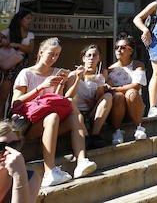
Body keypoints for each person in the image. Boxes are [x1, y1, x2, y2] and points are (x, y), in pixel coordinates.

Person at [11, 38, 96, 187]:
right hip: (28, 123)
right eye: (51, 54)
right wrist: (40, 87)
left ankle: (81, 161)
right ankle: (49, 171)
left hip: (50, 121)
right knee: (52, 116)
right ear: (41, 52)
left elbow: (62, 99)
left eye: (57, 55)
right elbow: (15, 104)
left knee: (73, 114)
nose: (53, 58)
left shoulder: (57, 72)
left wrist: (74, 79)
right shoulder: (26, 73)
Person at [0, 9, 35, 124]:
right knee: (2, 98)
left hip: (21, 67)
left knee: (17, 99)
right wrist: (1, 41)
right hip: (7, 69)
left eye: (30, 18)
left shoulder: (30, 35)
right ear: (20, 19)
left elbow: (31, 50)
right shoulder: (8, 31)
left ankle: (11, 125)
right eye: (27, 18)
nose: (29, 21)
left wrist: (16, 45)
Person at [65, 44, 112, 149]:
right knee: (69, 100)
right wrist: (78, 79)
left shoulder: (100, 75)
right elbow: (67, 97)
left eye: (95, 55)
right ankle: (86, 137)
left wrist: (99, 86)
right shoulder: (73, 75)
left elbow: (100, 98)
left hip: (91, 111)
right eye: (89, 55)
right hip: (76, 112)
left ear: (99, 58)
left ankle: (95, 135)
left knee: (108, 96)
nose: (91, 58)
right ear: (83, 58)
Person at [106, 35, 148, 145]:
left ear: (131, 50)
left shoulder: (138, 65)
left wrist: (116, 88)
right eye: (116, 47)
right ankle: (117, 131)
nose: (119, 50)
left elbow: (137, 86)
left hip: (134, 106)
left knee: (131, 93)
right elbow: (108, 88)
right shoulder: (110, 70)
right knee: (118, 96)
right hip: (117, 109)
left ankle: (139, 127)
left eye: (122, 47)